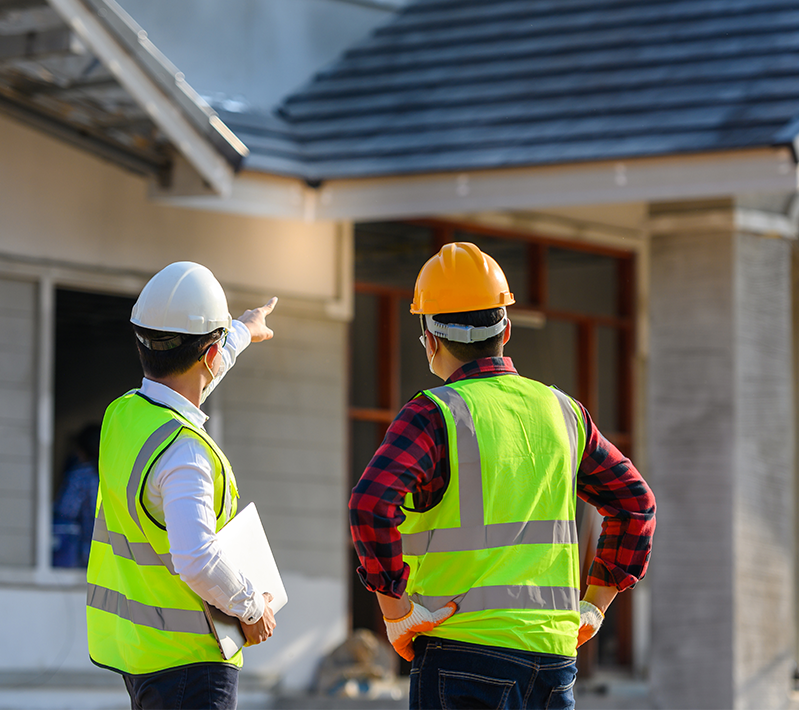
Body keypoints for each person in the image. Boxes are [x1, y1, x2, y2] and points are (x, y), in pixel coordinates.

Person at [349, 242, 656, 710]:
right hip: (552, 661)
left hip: (462, 652)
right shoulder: (563, 412)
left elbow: (370, 505)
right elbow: (635, 503)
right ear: (506, 329)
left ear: (429, 339)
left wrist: (396, 611)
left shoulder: (434, 415)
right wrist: (596, 603)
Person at [86, 261, 279, 710]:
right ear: (208, 356)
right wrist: (251, 607)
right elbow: (195, 558)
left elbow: (188, 384)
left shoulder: (124, 416)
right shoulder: (185, 452)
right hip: (191, 667)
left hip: (142, 655)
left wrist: (242, 331)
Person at [52, 423, 101, 567]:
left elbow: (64, 513)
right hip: (116, 557)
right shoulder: (119, 475)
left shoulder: (79, 476)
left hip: (84, 557)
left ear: (81, 451)